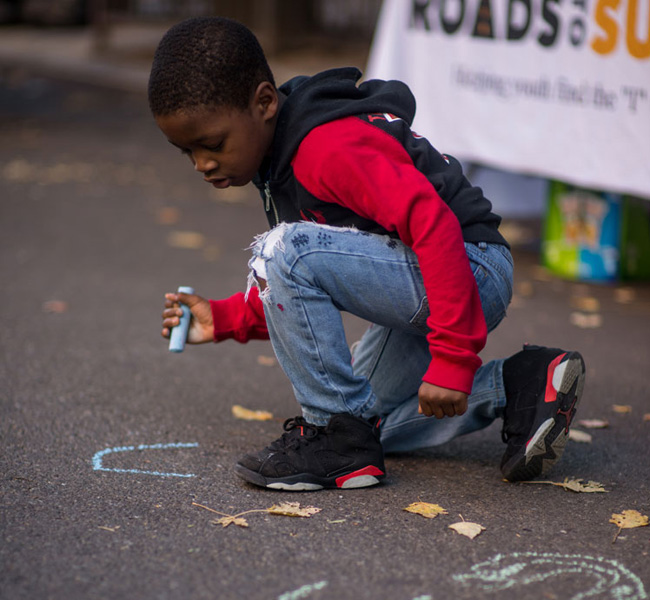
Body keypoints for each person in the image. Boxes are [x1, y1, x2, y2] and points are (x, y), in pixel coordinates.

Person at [149, 17, 586, 492]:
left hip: (467, 265)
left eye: (212, 144)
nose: (202, 164)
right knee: (365, 418)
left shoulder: (324, 148)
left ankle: (333, 440)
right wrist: (226, 318)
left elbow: (432, 223)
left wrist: (453, 358)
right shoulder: (277, 157)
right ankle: (521, 384)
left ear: (264, 103)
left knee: (284, 252)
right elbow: (308, 279)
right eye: (186, 152)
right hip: (433, 276)